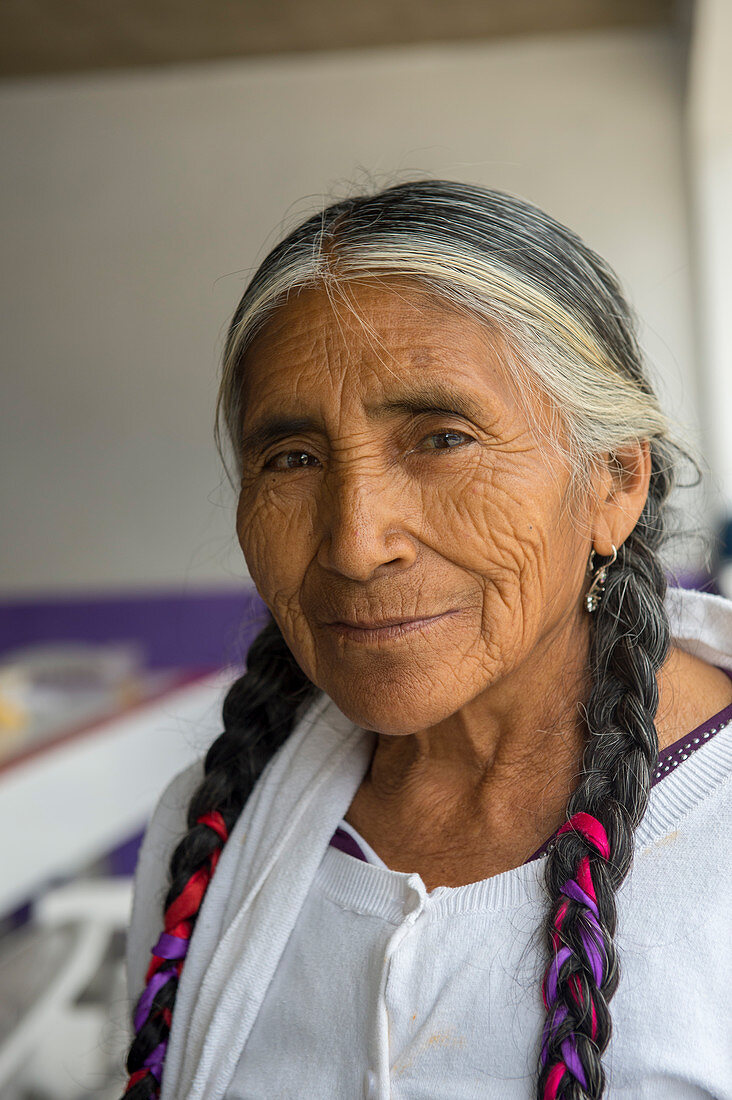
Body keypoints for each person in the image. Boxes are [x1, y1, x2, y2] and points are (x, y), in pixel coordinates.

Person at [122, 181, 732, 1100]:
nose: (356, 544)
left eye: (442, 439)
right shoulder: (206, 834)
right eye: (291, 459)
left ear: (613, 481)